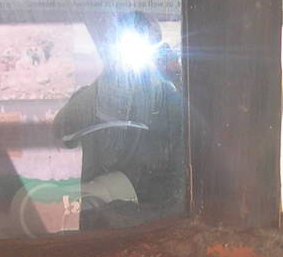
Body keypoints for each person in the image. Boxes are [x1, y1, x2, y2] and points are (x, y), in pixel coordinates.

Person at [53, 13, 186, 231]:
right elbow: (62, 130)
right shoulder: (93, 97)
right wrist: (109, 76)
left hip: (157, 223)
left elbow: (198, 141)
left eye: (150, 45)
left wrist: (176, 77)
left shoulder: (170, 100)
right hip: (101, 224)